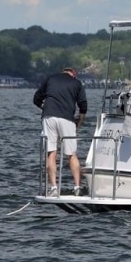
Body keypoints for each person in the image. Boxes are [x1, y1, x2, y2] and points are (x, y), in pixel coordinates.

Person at [34, 66, 88, 195]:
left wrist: (46, 108)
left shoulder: (50, 79)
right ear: (73, 75)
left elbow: (36, 99)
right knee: (71, 154)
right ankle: (77, 188)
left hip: (49, 117)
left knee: (51, 153)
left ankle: (53, 188)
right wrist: (79, 122)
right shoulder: (76, 83)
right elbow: (83, 106)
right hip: (67, 119)